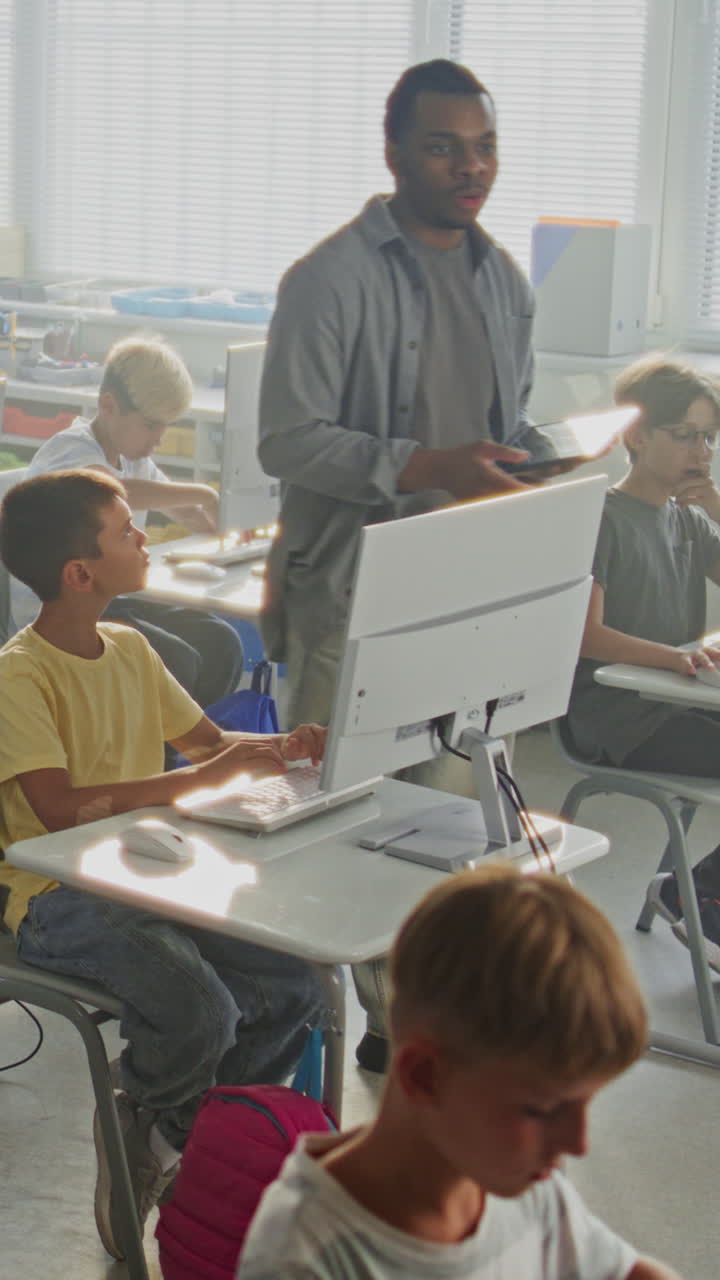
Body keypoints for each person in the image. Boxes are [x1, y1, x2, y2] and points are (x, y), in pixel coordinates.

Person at [259, 57, 560, 1071]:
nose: (470, 168)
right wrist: (424, 465)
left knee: (453, 815)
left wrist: (550, 455)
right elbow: (289, 439)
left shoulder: (503, 279)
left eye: (484, 149)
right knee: (350, 821)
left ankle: (427, 1014)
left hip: (468, 592)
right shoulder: (331, 277)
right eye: (445, 147)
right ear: (395, 153)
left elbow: (499, 422)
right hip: (352, 594)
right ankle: (382, 1024)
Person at [0, 469, 325, 1260]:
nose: (145, 540)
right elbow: (55, 810)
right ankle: (147, 1120)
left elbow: (212, 749)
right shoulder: (18, 674)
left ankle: (182, 1137)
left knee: (292, 983)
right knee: (201, 1009)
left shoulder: (131, 647)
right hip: (53, 893)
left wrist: (280, 749)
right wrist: (195, 781)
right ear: (82, 574)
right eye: (127, 532)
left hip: (148, 869)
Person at [237, 864, 679, 1280]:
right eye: (542, 1110)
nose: (577, 1143)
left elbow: (624, 1272)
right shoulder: (304, 1253)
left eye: (585, 1104)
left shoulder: (519, 1182)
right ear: (426, 1077)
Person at [567, 354, 720, 969]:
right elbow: (587, 636)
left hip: (673, 701)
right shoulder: (602, 518)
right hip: (619, 716)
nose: (700, 452)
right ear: (636, 435)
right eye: (684, 436)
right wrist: (676, 661)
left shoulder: (687, 520)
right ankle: (700, 900)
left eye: (708, 438)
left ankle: (690, 892)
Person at [9, 334, 244, 707]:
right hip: (62, 611)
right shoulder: (70, 448)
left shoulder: (133, 457)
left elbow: (184, 511)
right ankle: (150, 751)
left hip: (113, 599)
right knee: (175, 661)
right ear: (109, 406)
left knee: (221, 643)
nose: (159, 440)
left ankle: (176, 742)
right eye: (152, 425)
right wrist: (203, 494)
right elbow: (109, 491)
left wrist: (231, 529)